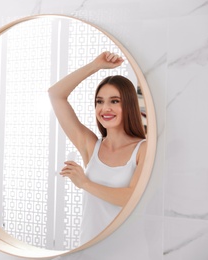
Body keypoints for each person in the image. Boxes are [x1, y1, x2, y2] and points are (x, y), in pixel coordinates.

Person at [48, 51, 147, 244]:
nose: (105, 108)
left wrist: (85, 183)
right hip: (89, 246)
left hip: (128, 250)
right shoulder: (91, 145)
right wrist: (95, 65)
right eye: (99, 101)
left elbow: (132, 198)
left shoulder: (143, 149)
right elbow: (55, 95)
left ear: (129, 105)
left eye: (114, 101)